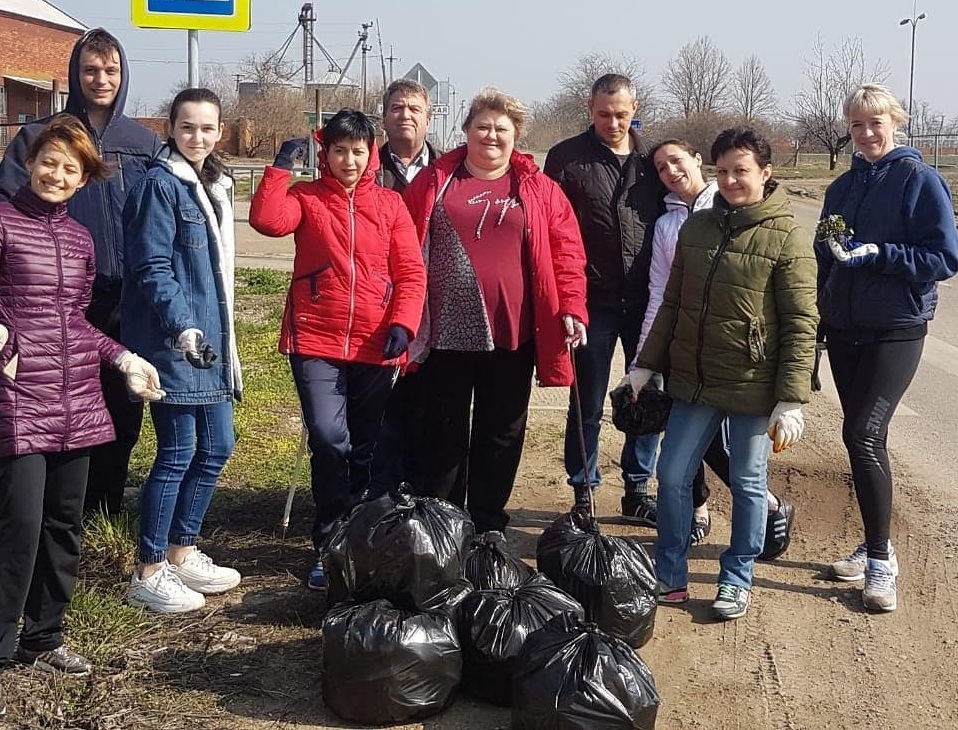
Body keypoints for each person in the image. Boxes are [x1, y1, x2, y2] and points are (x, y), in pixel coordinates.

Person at [630, 127, 818, 620]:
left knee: (748, 480)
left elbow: (801, 321)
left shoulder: (787, 235)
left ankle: (737, 577)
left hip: (754, 385)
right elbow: (672, 303)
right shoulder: (698, 227)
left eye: (742, 170)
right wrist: (645, 365)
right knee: (671, 475)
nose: (731, 180)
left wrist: (791, 398)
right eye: (724, 171)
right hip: (696, 378)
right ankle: (669, 573)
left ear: (765, 174)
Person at [0, 115, 164, 674]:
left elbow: (76, 321)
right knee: (19, 521)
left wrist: (124, 358)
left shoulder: (78, 240)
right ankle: (2, 643)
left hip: (78, 398)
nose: (57, 173)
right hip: (17, 394)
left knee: (62, 522)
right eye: (49, 161)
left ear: (82, 179)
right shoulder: (2, 222)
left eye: (70, 168)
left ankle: (44, 637)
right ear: (30, 162)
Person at [249, 109, 426, 591]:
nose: (349, 160)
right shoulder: (307, 198)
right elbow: (266, 219)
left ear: (371, 153)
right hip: (315, 339)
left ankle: (356, 540)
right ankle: (326, 543)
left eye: (358, 150)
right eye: (340, 150)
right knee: (329, 440)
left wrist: (404, 324)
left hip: (375, 343)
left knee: (365, 448)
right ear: (325, 153)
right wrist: (279, 168)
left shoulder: (390, 205)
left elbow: (411, 273)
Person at [403, 87, 588, 535]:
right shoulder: (433, 181)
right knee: (444, 432)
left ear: (516, 135)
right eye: (482, 126)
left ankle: (488, 524)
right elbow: (402, 243)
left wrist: (572, 307)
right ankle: (446, 524)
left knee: (501, 432)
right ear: (465, 130)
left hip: (514, 332)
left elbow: (567, 252)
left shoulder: (539, 189)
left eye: (501, 128)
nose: (491, 135)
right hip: (445, 331)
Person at [0, 28, 161, 517]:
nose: (100, 79)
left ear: (124, 75)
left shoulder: (143, 143)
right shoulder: (40, 136)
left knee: (120, 406)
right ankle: (45, 506)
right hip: (51, 298)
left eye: (110, 70)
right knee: (47, 403)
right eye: (90, 69)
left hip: (124, 297)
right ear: (75, 73)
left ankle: (104, 505)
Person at [817, 83, 958, 612]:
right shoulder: (841, 186)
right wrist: (823, 298)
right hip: (845, 328)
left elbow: (943, 257)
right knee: (861, 444)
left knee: (863, 434)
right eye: (856, 124)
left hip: (895, 329)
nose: (866, 133)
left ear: (894, 122)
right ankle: (872, 544)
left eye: (875, 123)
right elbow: (826, 252)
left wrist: (880, 253)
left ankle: (881, 563)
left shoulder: (919, 179)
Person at [121, 88, 243, 614]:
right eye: (188, 126)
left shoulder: (215, 184)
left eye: (207, 128)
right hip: (177, 342)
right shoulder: (160, 185)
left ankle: (182, 548)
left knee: (216, 445)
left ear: (220, 131)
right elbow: (152, 266)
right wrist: (183, 327)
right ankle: (148, 570)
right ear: (170, 127)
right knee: (177, 453)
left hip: (210, 342)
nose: (198, 136)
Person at [544, 74, 665, 524]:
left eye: (621, 113)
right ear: (590, 110)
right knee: (587, 402)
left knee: (648, 397)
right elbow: (550, 229)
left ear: (635, 109)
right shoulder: (565, 158)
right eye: (603, 113)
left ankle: (638, 488)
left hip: (648, 301)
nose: (613, 122)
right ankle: (584, 490)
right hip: (591, 299)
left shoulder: (653, 160)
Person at [371, 78, 443, 494]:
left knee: (426, 402)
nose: (406, 116)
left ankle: (418, 492)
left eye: (415, 109)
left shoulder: (446, 170)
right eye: (397, 108)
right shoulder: (365, 165)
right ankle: (378, 491)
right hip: (378, 297)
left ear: (428, 117)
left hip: (433, 300)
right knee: (381, 407)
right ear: (384, 117)